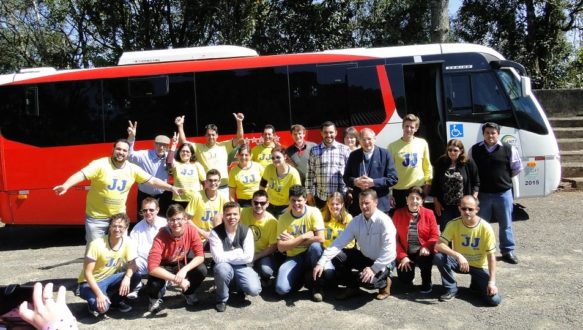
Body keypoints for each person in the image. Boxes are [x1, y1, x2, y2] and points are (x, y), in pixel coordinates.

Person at [53, 139, 182, 243]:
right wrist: (66, 185)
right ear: (113, 149)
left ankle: (119, 275)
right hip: (97, 218)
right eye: (118, 149)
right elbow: (81, 174)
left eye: (124, 150)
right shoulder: (100, 164)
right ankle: (92, 275)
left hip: (119, 218)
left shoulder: (132, 169)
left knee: (119, 249)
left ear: (127, 154)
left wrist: (171, 188)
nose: (121, 152)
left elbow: (153, 181)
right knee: (95, 250)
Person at [313, 189, 396, 301]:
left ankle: (385, 282)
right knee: (338, 256)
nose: (364, 206)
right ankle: (353, 288)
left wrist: (374, 269)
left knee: (367, 282)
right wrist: (321, 262)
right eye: (361, 203)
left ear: (376, 202)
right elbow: (338, 243)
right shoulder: (356, 221)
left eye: (367, 203)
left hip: (383, 262)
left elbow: (390, 252)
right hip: (365, 257)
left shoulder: (385, 221)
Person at [433, 195, 501, 306]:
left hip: (479, 266)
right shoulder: (453, 224)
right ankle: (451, 288)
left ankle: (477, 284)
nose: (467, 212)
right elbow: (438, 245)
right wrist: (458, 256)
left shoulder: (486, 227)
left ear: (477, 210)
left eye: (470, 209)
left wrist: (492, 282)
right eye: (464, 208)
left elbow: (491, 257)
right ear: (459, 208)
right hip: (460, 263)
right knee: (439, 257)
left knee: (494, 300)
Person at [470, 122, 522, 264]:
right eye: (487, 133)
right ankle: (481, 251)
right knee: (481, 224)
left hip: (503, 193)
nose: (490, 135)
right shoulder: (475, 150)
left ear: (498, 134)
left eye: (493, 133)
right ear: (483, 134)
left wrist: (502, 179)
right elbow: (471, 170)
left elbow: (516, 168)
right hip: (483, 194)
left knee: (506, 224)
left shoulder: (508, 148)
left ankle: (507, 251)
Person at [145, 204, 207, 313]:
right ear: (167, 221)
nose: (175, 223)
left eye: (179, 219)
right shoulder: (161, 235)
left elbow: (200, 256)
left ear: (185, 219)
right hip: (164, 265)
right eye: (171, 220)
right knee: (154, 283)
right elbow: (152, 267)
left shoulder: (191, 230)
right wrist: (176, 279)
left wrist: (184, 270)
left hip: (181, 263)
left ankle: (188, 293)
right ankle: (153, 298)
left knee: (201, 270)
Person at [78, 213, 141, 317]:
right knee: (102, 309)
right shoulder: (96, 244)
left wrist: (127, 277)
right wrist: (99, 295)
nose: (117, 229)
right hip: (89, 283)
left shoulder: (127, 242)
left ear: (126, 228)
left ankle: (115, 301)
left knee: (136, 276)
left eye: (120, 226)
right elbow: (87, 273)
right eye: (114, 226)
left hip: (109, 278)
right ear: (110, 226)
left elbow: (132, 264)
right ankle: (94, 302)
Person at [175, 113, 245, 199]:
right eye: (208, 134)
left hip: (224, 188)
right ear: (205, 136)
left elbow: (239, 138)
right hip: (208, 188)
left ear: (217, 136)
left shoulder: (224, 145)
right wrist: (180, 126)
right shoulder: (199, 147)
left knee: (225, 212)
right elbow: (183, 142)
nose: (211, 137)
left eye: (213, 135)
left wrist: (239, 122)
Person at [209, 202, 262, 312]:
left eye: (235, 214)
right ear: (223, 216)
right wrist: (238, 252)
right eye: (228, 214)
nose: (231, 217)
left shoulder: (246, 231)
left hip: (242, 265)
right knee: (221, 268)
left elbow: (248, 257)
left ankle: (238, 287)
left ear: (239, 216)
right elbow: (218, 259)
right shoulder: (215, 233)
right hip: (225, 266)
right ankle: (221, 299)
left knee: (254, 290)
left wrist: (226, 255)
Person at [275, 185, 324, 301]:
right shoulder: (283, 218)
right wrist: (303, 237)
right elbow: (281, 247)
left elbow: (320, 238)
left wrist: (292, 241)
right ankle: (301, 279)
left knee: (316, 248)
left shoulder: (314, 212)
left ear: (305, 200)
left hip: (310, 254)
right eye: (293, 200)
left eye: (299, 200)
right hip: (293, 257)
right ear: (289, 200)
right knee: (280, 289)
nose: (296, 204)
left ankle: (317, 286)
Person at [392, 186, 439, 293]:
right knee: (405, 280)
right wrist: (402, 256)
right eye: (411, 198)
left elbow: (435, 235)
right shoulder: (398, 214)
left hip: (422, 251)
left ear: (422, 201)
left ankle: (426, 281)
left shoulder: (429, 213)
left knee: (425, 258)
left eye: (418, 198)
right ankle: (410, 272)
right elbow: (393, 239)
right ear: (406, 200)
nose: (414, 201)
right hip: (405, 251)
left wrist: (427, 246)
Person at [343, 128, 398, 215]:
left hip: (380, 205)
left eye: (369, 139)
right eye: (363, 139)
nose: (366, 142)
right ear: (359, 141)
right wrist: (355, 181)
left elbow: (393, 178)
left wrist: (374, 182)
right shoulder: (354, 155)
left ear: (374, 139)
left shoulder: (385, 154)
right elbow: (346, 178)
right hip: (360, 206)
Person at [127, 120, 173, 218]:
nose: (161, 147)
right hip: (144, 195)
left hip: (162, 196)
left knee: (162, 223)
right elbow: (129, 155)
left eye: (164, 145)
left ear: (168, 147)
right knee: (142, 222)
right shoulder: (144, 155)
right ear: (154, 144)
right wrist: (131, 137)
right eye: (159, 144)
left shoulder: (170, 157)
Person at [432, 139, 480, 231]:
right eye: (449, 150)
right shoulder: (441, 162)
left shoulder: (468, 162)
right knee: (446, 232)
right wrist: (436, 201)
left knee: (463, 231)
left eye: (455, 150)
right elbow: (435, 183)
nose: (452, 152)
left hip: (463, 206)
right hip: (445, 206)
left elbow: (476, 182)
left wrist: (473, 200)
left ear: (461, 151)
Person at [388, 114, 433, 210]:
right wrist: (389, 193)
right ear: (402, 127)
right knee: (401, 220)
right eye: (406, 126)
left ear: (416, 129)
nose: (409, 129)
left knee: (416, 219)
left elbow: (427, 166)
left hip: (417, 189)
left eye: (412, 127)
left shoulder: (422, 143)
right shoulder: (392, 146)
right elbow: (389, 171)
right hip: (399, 190)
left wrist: (427, 185)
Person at [128, 197, 168, 298]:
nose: (148, 212)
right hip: (144, 260)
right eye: (145, 210)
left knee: (158, 292)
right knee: (128, 263)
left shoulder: (166, 224)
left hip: (161, 261)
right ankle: (137, 286)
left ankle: (162, 285)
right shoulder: (137, 228)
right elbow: (132, 248)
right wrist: (132, 261)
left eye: (151, 210)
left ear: (157, 210)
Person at [306, 121, 351, 208]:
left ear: (336, 133)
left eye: (331, 132)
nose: (328, 135)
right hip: (321, 197)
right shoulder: (314, 150)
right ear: (321, 133)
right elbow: (310, 173)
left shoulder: (345, 150)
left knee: (341, 221)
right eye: (325, 132)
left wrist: (349, 191)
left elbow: (350, 173)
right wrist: (309, 192)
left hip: (341, 196)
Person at [239, 190, 279, 286]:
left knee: (267, 271)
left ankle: (260, 276)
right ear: (251, 202)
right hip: (243, 252)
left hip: (261, 254)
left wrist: (255, 257)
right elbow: (221, 215)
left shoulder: (272, 221)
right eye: (256, 202)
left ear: (267, 204)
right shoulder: (242, 212)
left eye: (262, 203)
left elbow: (273, 246)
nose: (259, 205)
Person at [185, 169, 228, 242]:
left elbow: (226, 219)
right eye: (210, 180)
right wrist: (203, 233)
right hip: (198, 237)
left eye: (215, 180)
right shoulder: (197, 196)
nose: (213, 183)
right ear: (206, 182)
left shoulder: (223, 197)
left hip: (216, 237)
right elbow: (187, 219)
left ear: (219, 182)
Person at [260, 146, 302, 216]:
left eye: (278, 157)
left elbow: (297, 195)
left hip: (284, 208)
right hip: (269, 205)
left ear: (285, 156)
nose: (275, 160)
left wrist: (289, 209)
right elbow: (262, 184)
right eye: (273, 158)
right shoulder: (269, 168)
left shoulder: (293, 174)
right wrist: (263, 201)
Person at [166, 137, 205, 209]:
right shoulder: (176, 164)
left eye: (187, 151)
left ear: (191, 154)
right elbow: (169, 162)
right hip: (179, 200)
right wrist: (174, 145)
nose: (185, 153)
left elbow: (204, 182)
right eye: (182, 151)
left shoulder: (197, 165)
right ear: (179, 152)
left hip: (195, 200)